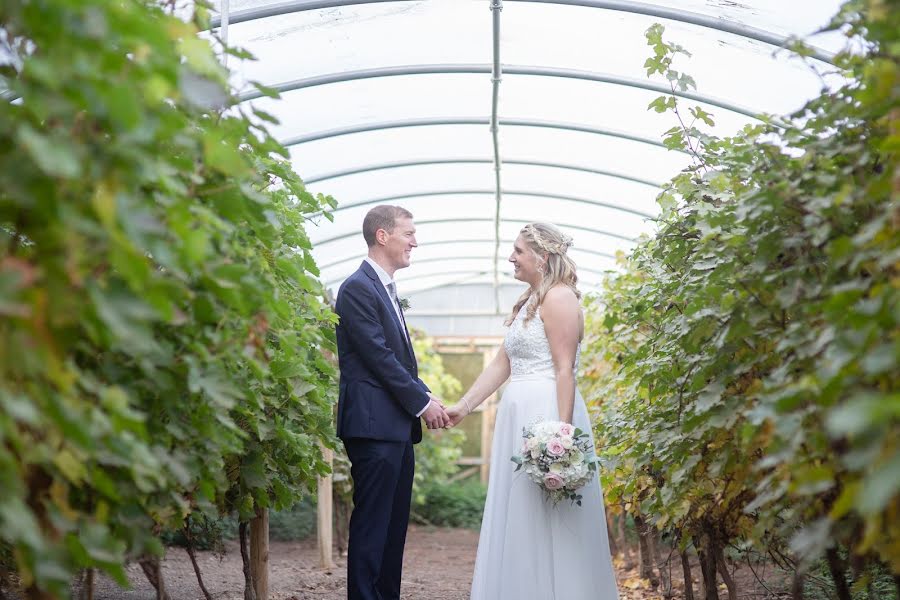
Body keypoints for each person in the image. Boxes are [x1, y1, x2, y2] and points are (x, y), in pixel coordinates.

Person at [447, 222, 620, 600]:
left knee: (551, 518)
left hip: (546, 416)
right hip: (517, 415)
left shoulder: (560, 298)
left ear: (542, 257)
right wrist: (464, 406)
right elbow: (500, 364)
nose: (511, 257)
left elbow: (564, 369)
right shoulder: (530, 299)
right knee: (520, 515)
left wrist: (562, 435)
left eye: (518, 251)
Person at [334, 205, 450, 600]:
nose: (415, 241)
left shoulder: (385, 288)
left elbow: (396, 359)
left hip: (394, 426)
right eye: (408, 233)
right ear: (382, 236)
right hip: (372, 427)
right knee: (372, 527)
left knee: (393, 527)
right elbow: (378, 357)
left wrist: (426, 393)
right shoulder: (357, 288)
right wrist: (422, 403)